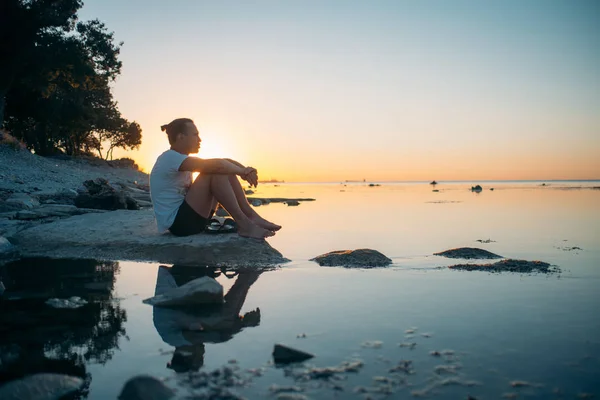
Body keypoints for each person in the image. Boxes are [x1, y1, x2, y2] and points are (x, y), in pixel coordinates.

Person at [150, 118, 281, 239]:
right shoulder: (169, 157)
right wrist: (243, 171)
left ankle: (251, 217)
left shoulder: (180, 159)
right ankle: (245, 225)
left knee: (221, 169)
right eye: (195, 135)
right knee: (214, 171)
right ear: (181, 137)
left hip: (190, 219)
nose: (199, 139)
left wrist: (245, 170)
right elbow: (217, 166)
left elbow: (224, 162)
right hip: (179, 225)